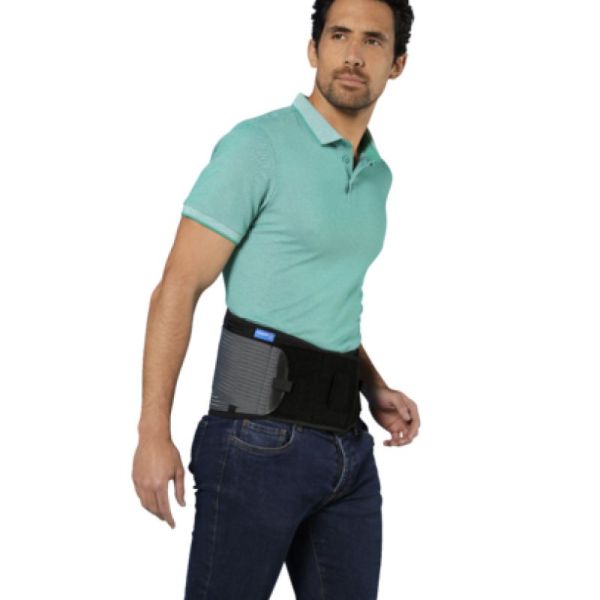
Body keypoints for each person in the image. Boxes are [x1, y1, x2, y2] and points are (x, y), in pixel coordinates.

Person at [132, 0, 420, 597]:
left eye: (373, 41)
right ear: (314, 49)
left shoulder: (378, 175)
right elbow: (178, 286)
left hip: (349, 453)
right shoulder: (258, 146)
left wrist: (373, 386)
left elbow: (322, 298)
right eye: (338, 35)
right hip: (255, 444)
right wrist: (153, 432)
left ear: (397, 63)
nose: (353, 54)